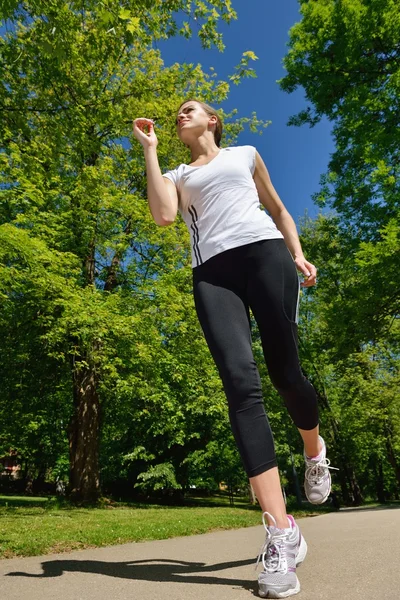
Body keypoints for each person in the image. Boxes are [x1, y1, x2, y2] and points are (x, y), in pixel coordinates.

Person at [132, 100, 337, 598]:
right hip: (214, 275)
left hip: (266, 254)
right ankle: (282, 531)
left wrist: (299, 252)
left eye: (189, 109)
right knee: (241, 385)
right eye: (177, 114)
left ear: (213, 120)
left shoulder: (245, 154)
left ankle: (314, 451)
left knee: (286, 372)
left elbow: (279, 208)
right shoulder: (178, 172)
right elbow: (163, 215)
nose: (180, 115)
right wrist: (151, 151)